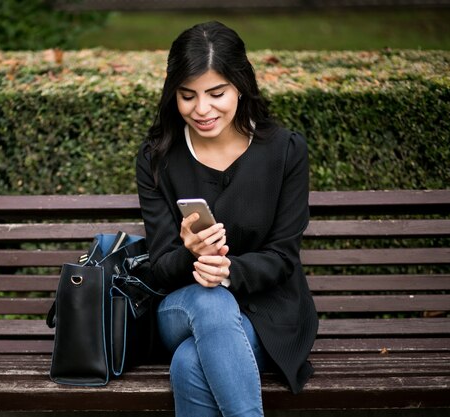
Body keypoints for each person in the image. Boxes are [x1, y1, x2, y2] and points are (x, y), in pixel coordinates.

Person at [135, 21, 319, 417]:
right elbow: (161, 270)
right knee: (211, 302)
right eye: (188, 96)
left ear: (240, 86)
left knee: (189, 363)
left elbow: (283, 257)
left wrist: (229, 270)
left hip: (268, 313)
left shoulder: (284, 151)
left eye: (216, 93)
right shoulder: (158, 158)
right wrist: (190, 253)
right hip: (182, 307)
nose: (201, 110)